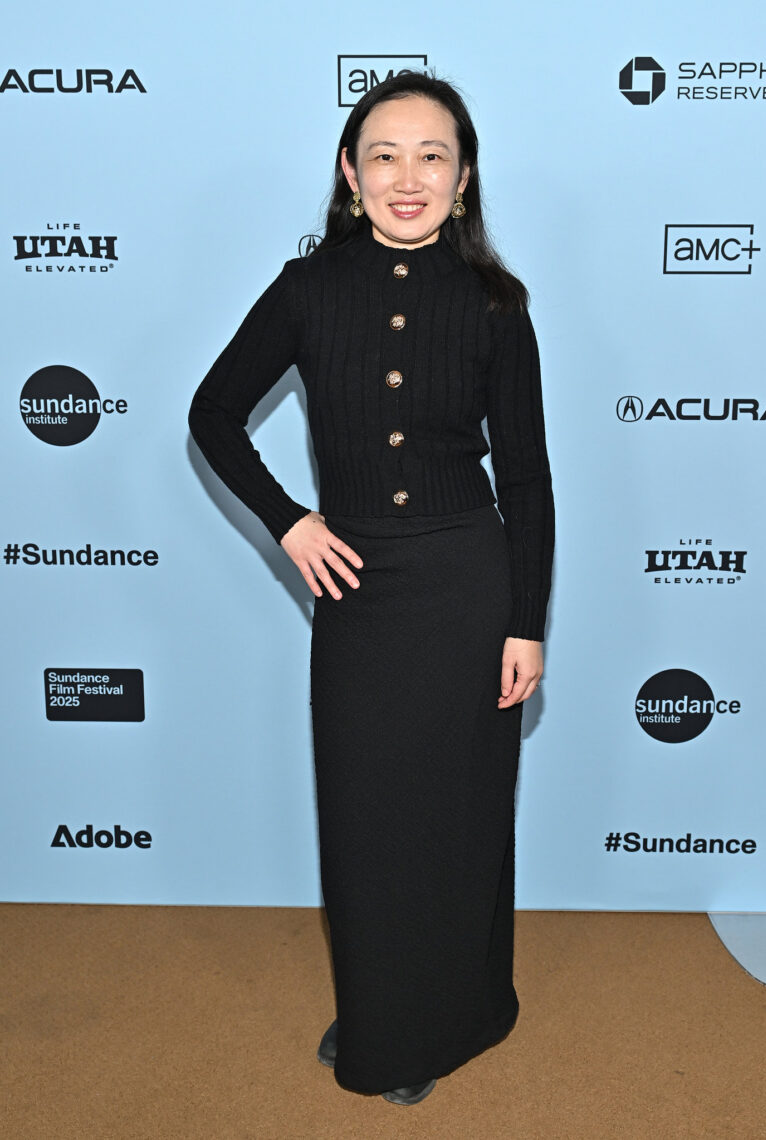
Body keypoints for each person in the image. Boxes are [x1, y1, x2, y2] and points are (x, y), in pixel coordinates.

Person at [188, 69, 554, 1108]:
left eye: (431, 156)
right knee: (366, 819)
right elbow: (212, 412)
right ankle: (387, 1013)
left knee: (459, 815)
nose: (408, 177)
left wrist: (525, 622)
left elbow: (524, 478)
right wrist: (290, 521)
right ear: (349, 175)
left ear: (463, 178)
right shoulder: (308, 290)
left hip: (466, 584)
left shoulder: (494, 303)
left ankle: (455, 1015)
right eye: (384, 155)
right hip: (359, 592)